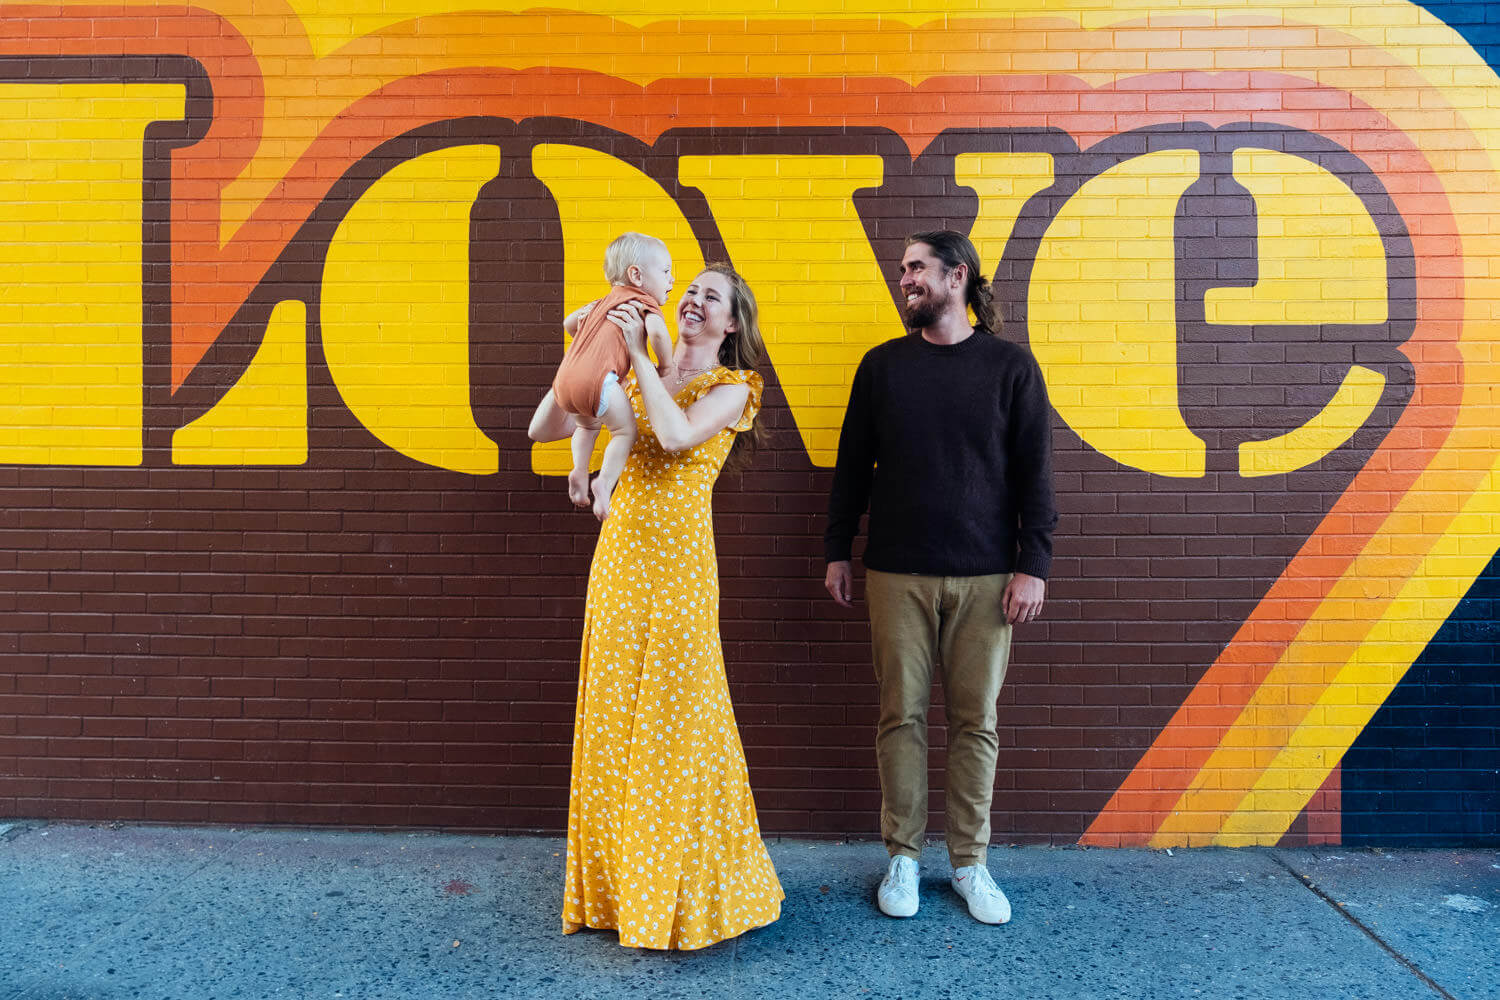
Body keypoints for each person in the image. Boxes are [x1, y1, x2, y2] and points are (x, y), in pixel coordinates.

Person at [528, 263, 784, 950]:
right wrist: (582, 352)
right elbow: (547, 428)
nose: (694, 300)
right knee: (614, 722)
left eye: (712, 297)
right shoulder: (637, 371)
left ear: (731, 324)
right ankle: (619, 897)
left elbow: (671, 437)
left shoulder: (733, 389)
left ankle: (676, 899)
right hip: (617, 567)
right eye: (690, 291)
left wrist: (638, 356)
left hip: (679, 575)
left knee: (678, 725)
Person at [823, 231, 1056, 925]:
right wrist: (838, 547)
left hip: (988, 577)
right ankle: (902, 857)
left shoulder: (1011, 367)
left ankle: (969, 864)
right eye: (903, 271)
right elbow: (850, 467)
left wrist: (1032, 566)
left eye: (918, 268)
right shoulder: (883, 367)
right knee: (901, 717)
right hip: (896, 570)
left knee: (975, 721)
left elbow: (1034, 476)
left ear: (959, 276)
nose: (907, 280)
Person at [531, 231, 677, 522]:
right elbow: (659, 334)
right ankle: (604, 483)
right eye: (665, 271)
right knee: (624, 432)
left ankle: (580, 470)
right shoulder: (642, 302)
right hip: (599, 383)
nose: (672, 279)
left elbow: (569, 323)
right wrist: (665, 366)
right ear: (636, 275)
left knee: (587, 427)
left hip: (565, 381)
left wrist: (591, 342)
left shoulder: (602, 302)